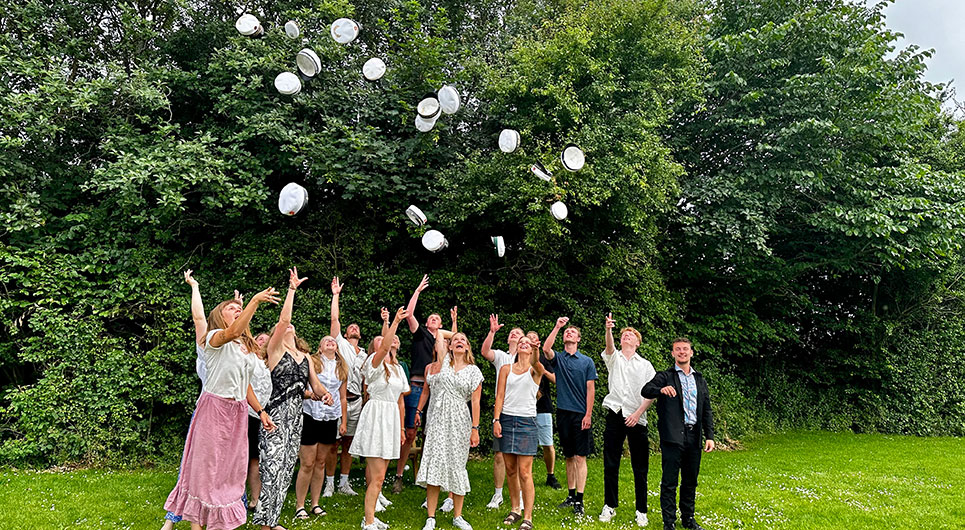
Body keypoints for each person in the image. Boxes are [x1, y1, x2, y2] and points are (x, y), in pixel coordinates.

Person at [163, 286, 280, 530]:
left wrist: (260, 411)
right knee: (206, 473)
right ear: (220, 315)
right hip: (214, 409)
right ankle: (196, 526)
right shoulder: (215, 337)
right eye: (232, 308)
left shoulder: (245, 348)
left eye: (240, 309)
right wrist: (254, 301)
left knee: (228, 474)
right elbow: (232, 330)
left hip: (237, 413)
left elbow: (245, 384)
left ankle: (218, 524)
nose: (237, 311)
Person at [253, 268, 335, 530]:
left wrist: (326, 395)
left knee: (286, 469)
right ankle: (265, 523)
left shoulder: (306, 358)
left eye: (291, 325)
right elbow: (282, 319)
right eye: (285, 324)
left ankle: (273, 519)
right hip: (275, 416)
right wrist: (291, 290)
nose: (288, 324)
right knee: (272, 469)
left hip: (296, 419)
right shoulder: (275, 351)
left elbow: (317, 386)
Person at [414, 310, 483, 530]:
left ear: (469, 347)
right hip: (437, 420)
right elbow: (438, 335)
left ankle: (458, 516)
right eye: (455, 341)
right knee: (434, 462)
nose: (460, 342)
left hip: (461, 420)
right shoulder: (442, 361)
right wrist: (452, 337)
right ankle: (431, 517)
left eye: (464, 340)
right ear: (449, 346)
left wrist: (475, 428)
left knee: (457, 465)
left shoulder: (474, 371)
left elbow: (476, 403)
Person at [641, 337, 715, 530]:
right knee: (669, 482)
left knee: (690, 481)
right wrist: (660, 390)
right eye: (678, 349)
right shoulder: (665, 376)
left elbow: (706, 409)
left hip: (694, 435)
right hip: (672, 436)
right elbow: (646, 390)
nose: (682, 352)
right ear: (672, 353)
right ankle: (669, 522)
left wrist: (710, 436)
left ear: (691, 353)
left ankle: (688, 519)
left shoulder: (699, 379)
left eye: (685, 349)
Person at [350, 307, 410, 530]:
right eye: (383, 341)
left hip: (391, 419)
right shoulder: (373, 364)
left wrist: (402, 428)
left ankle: (372, 516)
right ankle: (368, 522)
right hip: (376, 418)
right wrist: (393, 321)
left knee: (381, 475)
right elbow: (385, 345)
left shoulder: (397, 369)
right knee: (376, 477)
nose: (388, 342)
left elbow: (400, 400)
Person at [597, 314, 656, 527]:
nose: (627, 337)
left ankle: (641, 510)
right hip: (615, 413)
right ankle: (609, 506)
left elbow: (651, 393)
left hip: (637, 416)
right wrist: (609, 330)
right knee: (610, 462)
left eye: (631, 335)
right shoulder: (614, 358)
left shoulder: (646, 366)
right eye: (624, 335)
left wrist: (638, 414)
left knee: (640, 466)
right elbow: (609, 346)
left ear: (638, 342)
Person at [398, 274, 453, 494]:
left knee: (434, 434)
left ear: (440, 325)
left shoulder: (444, 343)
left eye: (436, 318)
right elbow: (409, 315)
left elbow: (458, 335)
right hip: (418, 387)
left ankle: (432, 476)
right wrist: (418, 291)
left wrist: (444, 332)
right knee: (410, 433)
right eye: (430, 317)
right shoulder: (421, 335)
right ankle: (400, 475)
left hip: (438, 390)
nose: (431, 319)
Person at [542, 316, 597, 515]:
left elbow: (591, 389)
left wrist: (588, 414)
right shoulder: (559, 359)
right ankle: (571, 495)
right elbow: (546, 349)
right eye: (567, 332)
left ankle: (580, 501)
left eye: (572, 332)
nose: (569, 333)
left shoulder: (587, 361)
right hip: (563, 414)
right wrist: (557, 326)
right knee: (568, 457)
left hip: (581, 414)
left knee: (580, 457)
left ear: (579, 339)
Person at [493, 335, 546, 530]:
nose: (523, 343)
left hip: (527, 422)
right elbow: (499, 396)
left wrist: (536, 350)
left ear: (531, 349)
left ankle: (528, 516)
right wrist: (496, 420)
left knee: (525, 472)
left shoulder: (535, 370)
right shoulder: (506, 369)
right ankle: (515, 509)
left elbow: (538, 363)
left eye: (527, 343)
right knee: (511, 469)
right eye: (521, 342)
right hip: (506, 420)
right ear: (516, 348)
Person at [293, 335, 349, 520]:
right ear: (320, 347)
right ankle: (300, 505)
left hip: (330, 417)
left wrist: (343, 421)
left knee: (321, 463)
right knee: (307, 463)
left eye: (333, 340)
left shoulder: (342, 368)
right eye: (326, 340)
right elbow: (303, 388)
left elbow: (342, 398)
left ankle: (315, 504)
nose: (331, 341)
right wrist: (312, 395)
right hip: (311, 415)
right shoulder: (313, 362)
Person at [330, 276, 367, 496]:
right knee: (333, 445)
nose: (353, 328)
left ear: (359, 335)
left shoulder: (365, 354)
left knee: (349, 444)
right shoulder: (340, 344)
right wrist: (336, 296)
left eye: (356, 327)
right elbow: (335, 319)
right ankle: (328, 483)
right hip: (338, 400)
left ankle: (344, 483)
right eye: (350, 326)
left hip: (357, 402)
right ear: (345, 334)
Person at [529, 330, 562, 490]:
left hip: (543, 407)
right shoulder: (518, 358)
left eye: (535, 339)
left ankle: (551, 475)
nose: (532, 341)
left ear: (539, 343)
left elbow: (556, 379)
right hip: (523, 407)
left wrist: (542, 370)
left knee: (547, 444)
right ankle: (525, 475)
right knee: (524, 444)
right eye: (529, 339)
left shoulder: (543, 359)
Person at [246, 333, 273, 513]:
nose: (262, 341)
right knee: (242, 457)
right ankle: (237, 497)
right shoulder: (247, 357)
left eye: (266, 339)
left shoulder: (272, 362)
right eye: (259, 338)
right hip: (246, 412)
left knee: (257, 458)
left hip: (265, 415)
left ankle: (256, 499)